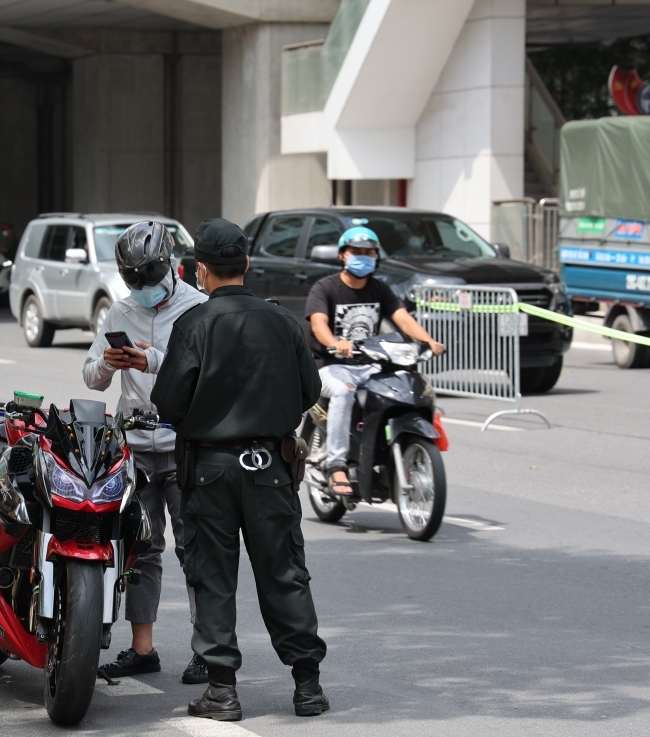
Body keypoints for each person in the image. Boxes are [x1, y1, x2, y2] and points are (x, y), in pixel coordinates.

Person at [152, 218, 327, 722]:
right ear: (246, 264)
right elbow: (310, 393)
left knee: (213, 578)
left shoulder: (193, 325)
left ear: (200, 271)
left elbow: (169, 403)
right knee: (285, 573)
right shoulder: (283, 321)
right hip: (272, 468)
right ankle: (308, 686)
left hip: (209, 469)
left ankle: (222, 692)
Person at [82, 221, 209, 685]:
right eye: (133, 278)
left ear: (170, 265)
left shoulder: (198, 309)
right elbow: (90, 375)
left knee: (195, 549)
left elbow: (201, 370)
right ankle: (142, 649)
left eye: (148, 275)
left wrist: (149, 359)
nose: (143, 287)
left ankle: (207, 650)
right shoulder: (120, 312)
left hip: (183, 447)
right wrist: (108, 364)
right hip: (134, 449)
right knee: (141, 551)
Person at [305, 226, 444, 496]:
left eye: (369, 253)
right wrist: (335, 343)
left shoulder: (380, 288)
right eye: (356, 252)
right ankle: (336, 465)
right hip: (329, 367)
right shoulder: (325, 288)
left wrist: (428, 342)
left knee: (400, 387)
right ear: (342, 256)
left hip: (369, 365)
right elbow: (319, 324)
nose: (363, 258)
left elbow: (403, 319)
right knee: (345, 393)